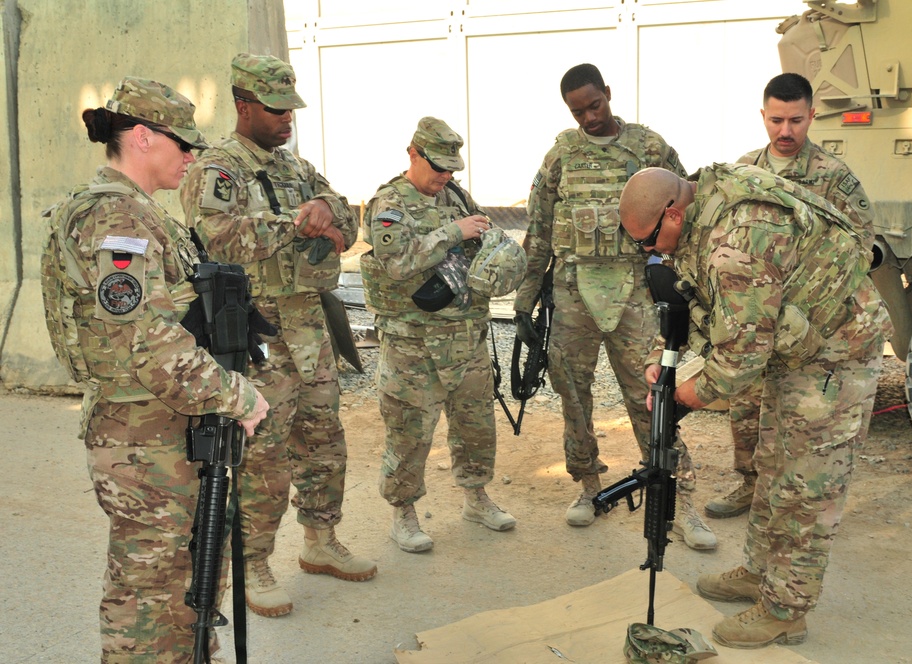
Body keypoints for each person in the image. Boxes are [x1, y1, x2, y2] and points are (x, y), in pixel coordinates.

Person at [40, 76, 269, 662]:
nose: (192, 156)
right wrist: (238, 397)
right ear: (142, 137)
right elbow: (149, 342)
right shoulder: (115, 219)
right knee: (150, 589)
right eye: (182, 143)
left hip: (168, 426)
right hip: (142, 433)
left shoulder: (143, 215)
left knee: (187, 579)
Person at [618, 165, 891, 648]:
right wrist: (662, 359)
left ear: (673, 214)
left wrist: (682, 397)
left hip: (836, 354)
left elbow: (739, 359)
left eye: (649, 240)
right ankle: (762, 574)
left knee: (805, 485)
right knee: (772, 465)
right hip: (796, 344)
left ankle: (786, 611)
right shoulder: (708, 199)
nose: (649, 251)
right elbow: (707, 302)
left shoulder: (736, 243)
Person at [180, 53, 375, 618]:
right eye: (275, 108)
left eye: (292, 108)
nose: (287, 118)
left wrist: (325, 208)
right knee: (262, 450)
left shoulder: (296, 168)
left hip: (310, 324)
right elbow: (215, 239)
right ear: (243, 105)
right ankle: (254, 560)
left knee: (322, 436)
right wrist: (294, 222)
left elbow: (346, 213)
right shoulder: (218, 170)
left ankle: (320, 540)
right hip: (255, 327)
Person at [512, 63, 716, 549]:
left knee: (652, 398)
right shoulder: (560, 156)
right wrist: (523, 301)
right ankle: (589, 488)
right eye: (577, 111)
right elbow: (539, 230)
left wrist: (688, 287)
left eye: (594, 105)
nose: (588, 117)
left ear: (608, 93)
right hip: (573, 295)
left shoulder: (649, 148)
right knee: (574, 400)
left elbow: (682, 215)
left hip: (635, 296)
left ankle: (682, 504)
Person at [705, 72, 876, 520]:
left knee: (795, 417)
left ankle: (791, 496)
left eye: (796, 120)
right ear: (763, 115)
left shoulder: (836, 179)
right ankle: (749, 484)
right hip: (755, 317)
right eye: (776, 120)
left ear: (812, 116)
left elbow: (859, 252)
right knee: (745, 405)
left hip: (805, 325)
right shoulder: (745, 171)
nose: (786, 131)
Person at [360, 116, 520, 553]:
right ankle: (403, 513)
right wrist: (455, 232)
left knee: (475, 426)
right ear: (413, 153)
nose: (446, 176)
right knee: (410, 432)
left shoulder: (455, 195)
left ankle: (476, 497)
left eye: (452, 169)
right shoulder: (388, 203)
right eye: (439, 167)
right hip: (415, 344)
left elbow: (480, 243)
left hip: (466, 336)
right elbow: (396, 264)